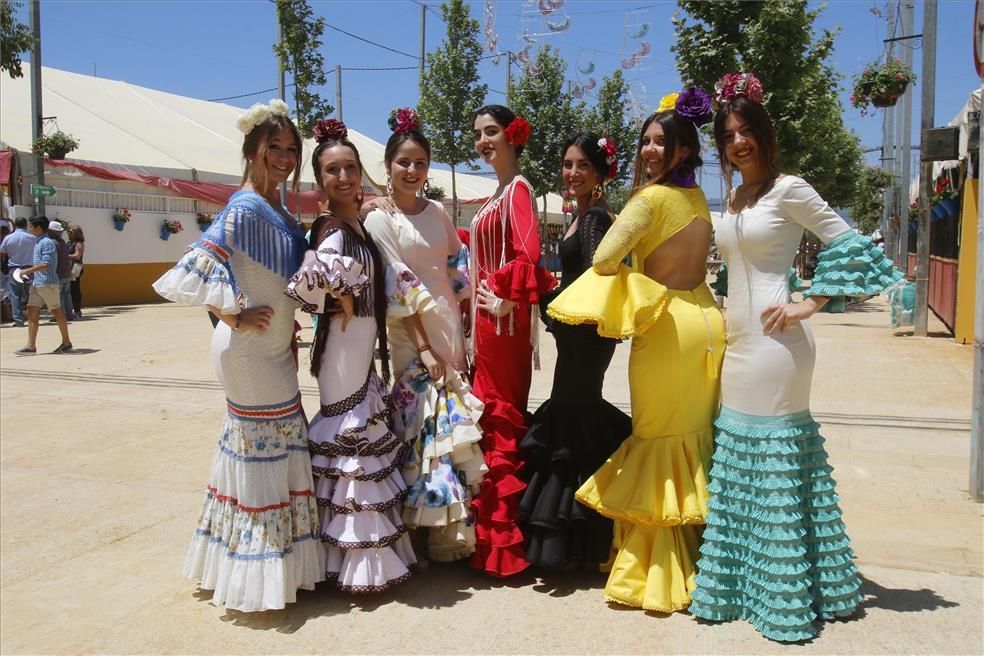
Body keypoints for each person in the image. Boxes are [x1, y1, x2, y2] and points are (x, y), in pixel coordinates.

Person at [687, 73, 902, 642]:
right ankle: (741, 589)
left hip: (778, 346)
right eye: (729, 135)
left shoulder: (791, 188)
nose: (738, 142)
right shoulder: (732, 199)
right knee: (740, 458)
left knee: (778, 461)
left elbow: (848, 240)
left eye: (747, 131)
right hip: (737, 343)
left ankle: (788, 596)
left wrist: (812, 303)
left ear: (764, 134)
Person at [548, 89, 725, 611]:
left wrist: (637, 290)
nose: (649, 150)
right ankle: (701, 555)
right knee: (694, 441)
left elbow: (604, 260)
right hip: (708, 323)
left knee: (658, 440)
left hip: (668, 328)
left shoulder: (648, 201)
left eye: (660, 142)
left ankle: (656, 573)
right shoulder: (696, 200)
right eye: (645, 140)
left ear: (684, 150)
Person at [152, 99, 324, 612]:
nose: (285, 157)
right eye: (275, 148)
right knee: (262, 455)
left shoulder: (276, 208)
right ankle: (258, 572)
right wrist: (232, 316)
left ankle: (264, 565)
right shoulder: (247, 207)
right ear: (252, 150)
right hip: (248, 353)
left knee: (269, 450)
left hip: (271, 350)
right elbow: (197, 266)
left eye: (292, 150)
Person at [285, 118, 416, 592]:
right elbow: (309, 281)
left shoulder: (354, 224)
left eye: (350, 168)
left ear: (361, 172)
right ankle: (352, 561)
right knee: (350, 438)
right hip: (342, 350)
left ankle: (359, 557)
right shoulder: (332, 230)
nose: (343, 178)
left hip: (357, 349)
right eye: (332, 171)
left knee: (358, 434)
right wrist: (335, 295)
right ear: (319, 181)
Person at [361, 108, 487, 563]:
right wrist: (427, 346)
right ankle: (424, 530)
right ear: (388, 167)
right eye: (403, 163)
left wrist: (467, 317)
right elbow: (397, 283)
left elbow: (457, 263)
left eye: (419, 163)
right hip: (412, 333)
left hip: (448, 324)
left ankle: (453, 529)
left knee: (452, 424)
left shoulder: (435, 211)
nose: (411, 171)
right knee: (423, 426)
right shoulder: (380, 220)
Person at [519, 133, 631, 571]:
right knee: (574, 413)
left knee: (574, 414)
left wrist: (547, 306)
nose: (572, 173)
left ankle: (579, 540)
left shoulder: (593, 220)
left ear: (601, 173)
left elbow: (593, 281)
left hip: (584, 336)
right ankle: (581, 538)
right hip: (577, 334)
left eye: (583, 165)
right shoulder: (586, 215)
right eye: (568, 164)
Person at [468, 104, 557, 577]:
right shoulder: (495, 193)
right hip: (485, 329)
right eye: (478, 134)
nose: (484, 141)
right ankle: (490, 542)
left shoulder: (519, 190)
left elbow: (530, 253)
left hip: (503, 330)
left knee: (500, 422)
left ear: (513, 135)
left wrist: (508, 300)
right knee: (489, 421)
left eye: (492, 131)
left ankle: (505, 549)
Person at [15, 216, 73, 354]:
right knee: (31, 310)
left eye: (32, 226)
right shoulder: (39, 241)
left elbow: (46, 264)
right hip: (38, 282)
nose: (30, 229)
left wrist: (27, 271)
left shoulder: (47, 242)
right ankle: (30, 346)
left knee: (56, 311)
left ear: (39, 227)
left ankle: (66, 342)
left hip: (47, 283)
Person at [1, 217, 36, 327]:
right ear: (26, 225)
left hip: (14, 269)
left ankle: (18, 320)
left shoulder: (8, 238)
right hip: (29, 268)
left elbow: (2, 251)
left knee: (15, 295)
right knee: (30, 294)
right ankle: (31, 317)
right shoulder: (32, 238)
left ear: (15, 225)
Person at [47, 221, 73, 320]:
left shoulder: (52, 243)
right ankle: (69, 315)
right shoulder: (62, 242)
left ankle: (60, 316)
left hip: (59, 274)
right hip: (66, 273)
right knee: (67, 295)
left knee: (59, 296)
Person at [66, 224, 85, 319]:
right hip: (69, 267)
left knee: (74, 289)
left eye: (70, 232)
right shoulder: (69, 243)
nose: (68, 233)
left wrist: (65, 256)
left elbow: (77, 256)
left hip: (75, 268)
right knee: (69, 289)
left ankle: (77, 310)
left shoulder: (79, 243)